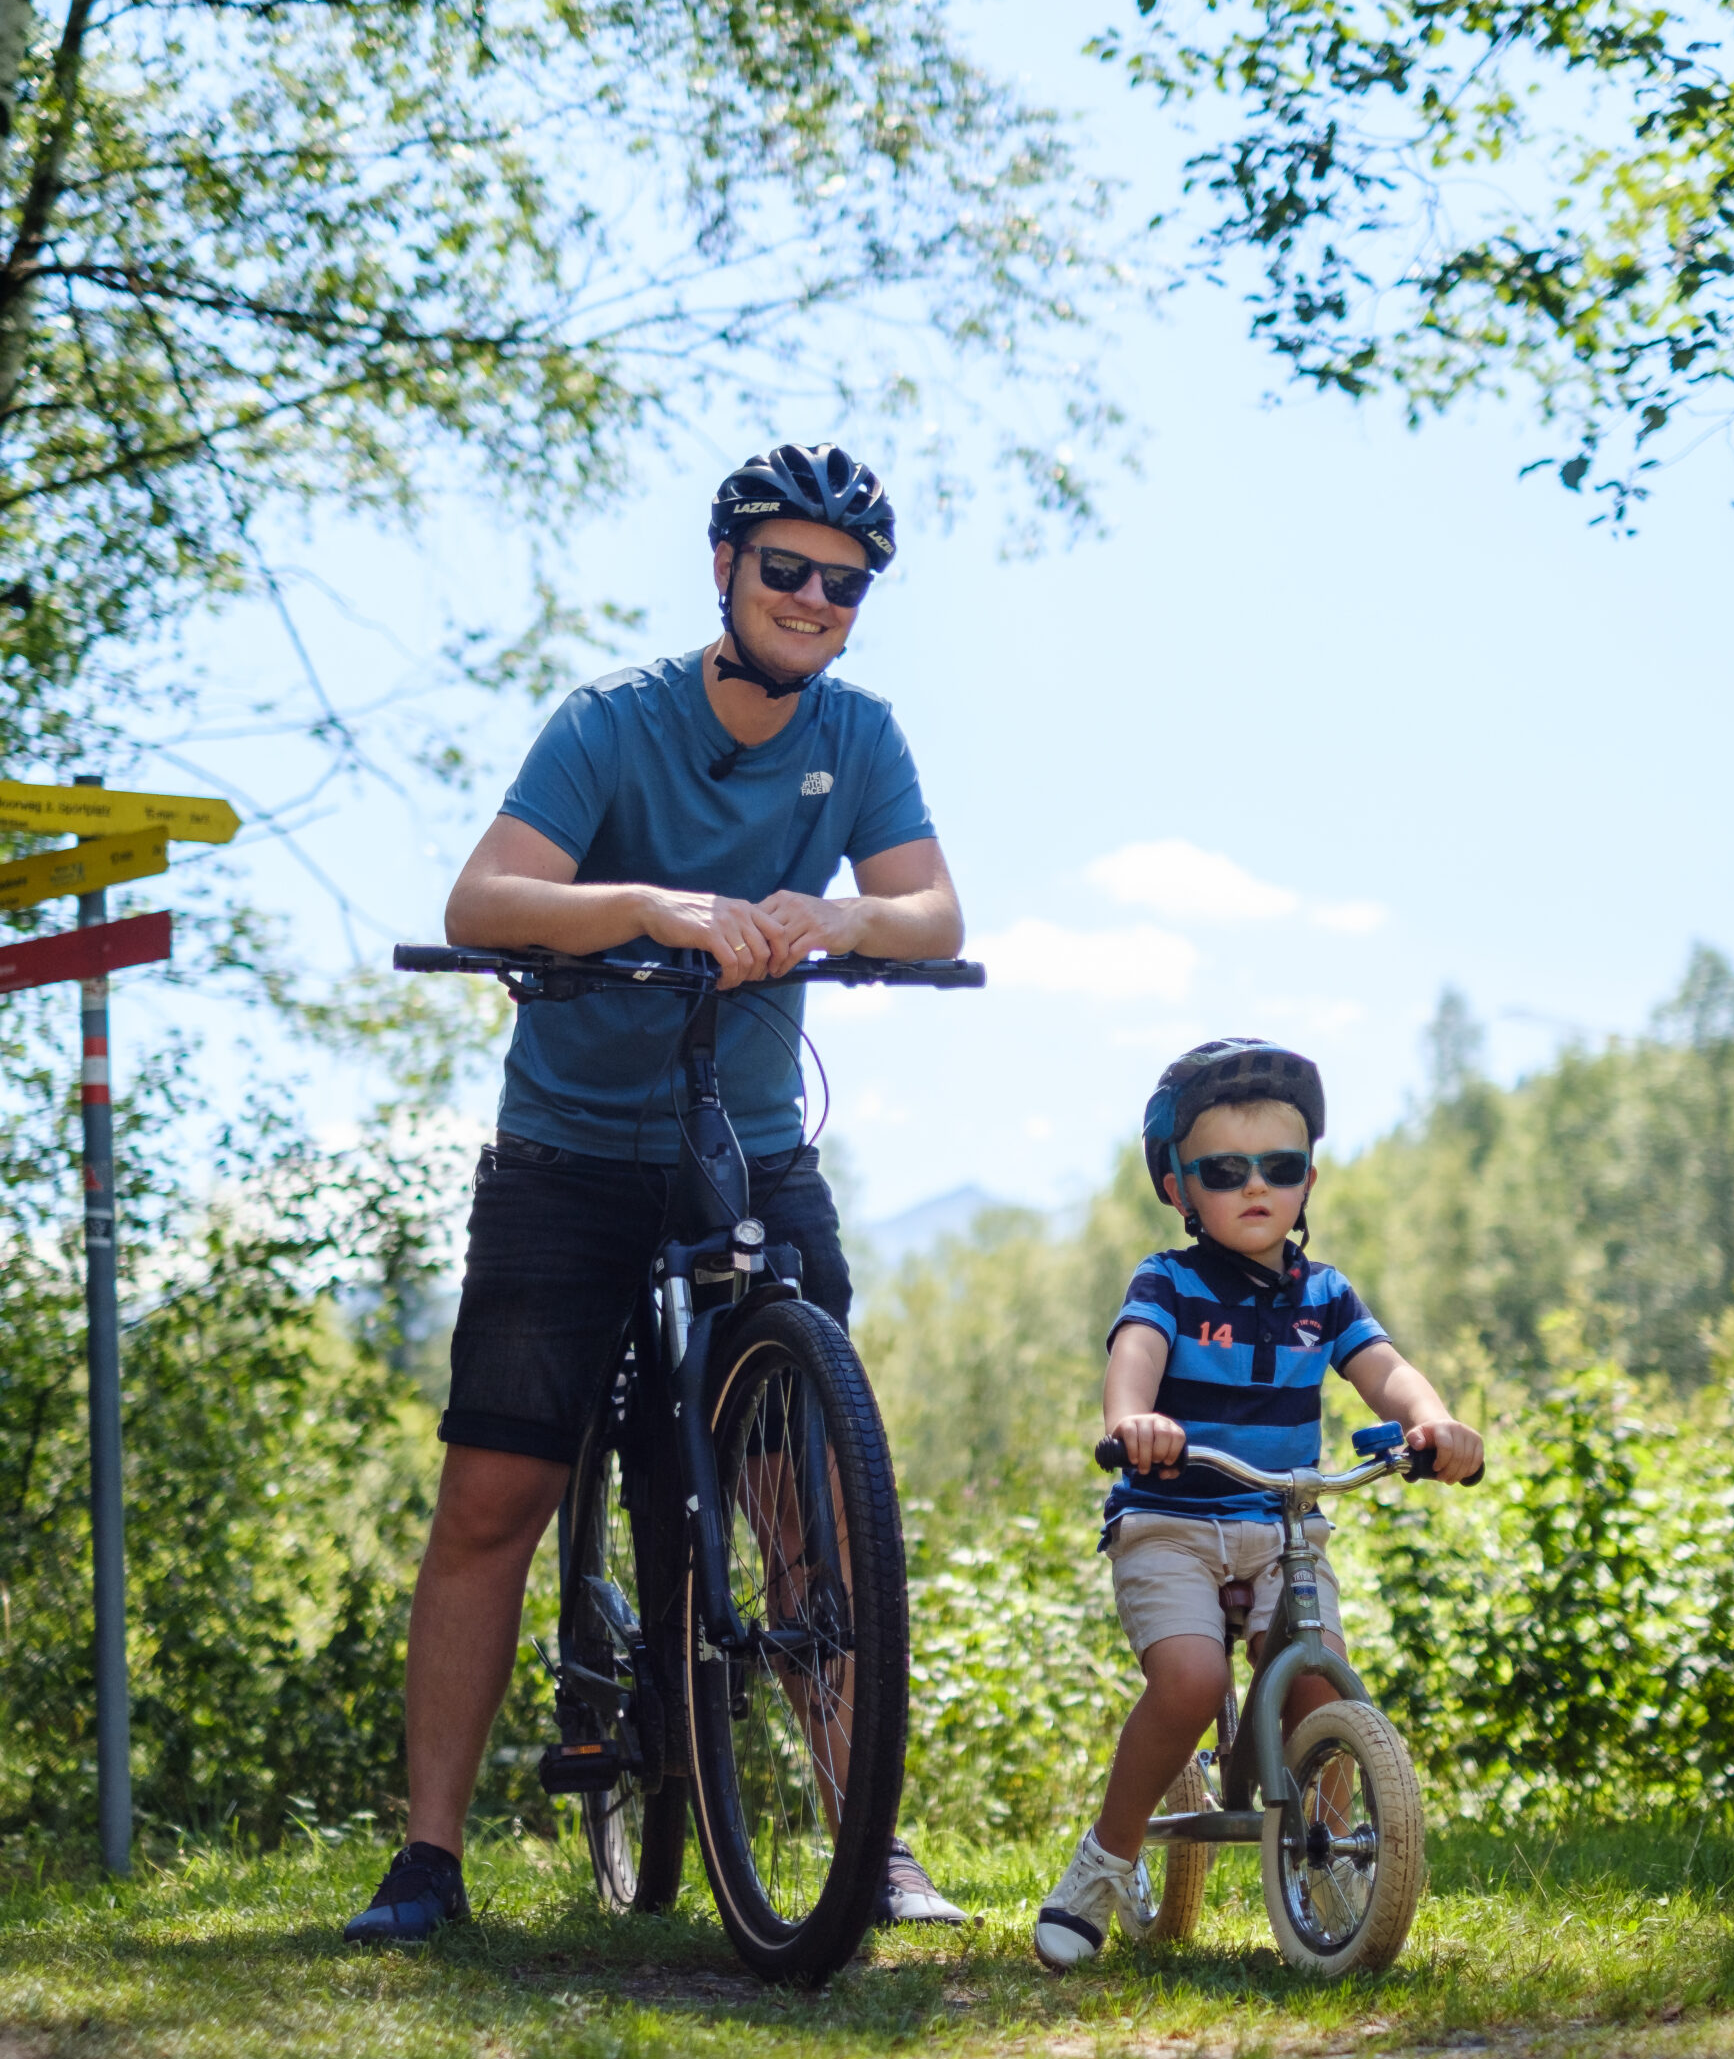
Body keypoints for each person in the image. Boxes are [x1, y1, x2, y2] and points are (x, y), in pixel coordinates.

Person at [347, 441, 969, 1941]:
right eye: (787, 569)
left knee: (816, 1496)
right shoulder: (611, 724)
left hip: (747, 1151)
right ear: (724, 568)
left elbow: (934, 909)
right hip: (567, 1157)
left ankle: (865, 1838)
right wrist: (647, 905)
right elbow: (481, 900)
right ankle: (429, 1864)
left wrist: (834, 915)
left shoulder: (859, 736)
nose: (816, 598)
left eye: (846, 581)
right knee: (497, 1494)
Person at [1033, 1038, 1483, 1970]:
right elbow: (1134, 1361)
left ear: (1308, 1180)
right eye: (1224, 1170)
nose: (1255, 1187)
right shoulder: (1168, 1282)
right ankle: (1105, 1859)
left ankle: (1325, 1869)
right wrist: (1135, 1423)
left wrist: (1434, 1423)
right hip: (1173, 1521)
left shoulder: (1325, 1294)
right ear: (1177, 1188)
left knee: (1318, 1679)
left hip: (1285, 1524)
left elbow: (1387, 1374)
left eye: (1279, 1168)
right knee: (1191, 1684)